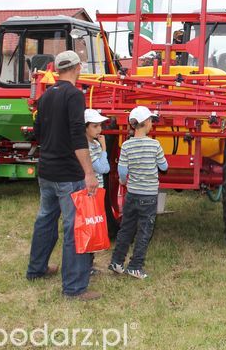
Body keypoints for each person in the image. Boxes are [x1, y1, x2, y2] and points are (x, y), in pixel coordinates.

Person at [26, 50, 101, 300]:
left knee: (45, 219)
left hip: (46, 170)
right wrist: (89, 172)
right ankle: (74, 288)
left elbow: (37, 130)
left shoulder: (46, 96)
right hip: (68, 174)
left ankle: (36, 269)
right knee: (74, 228)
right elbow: (77, 136)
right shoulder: (74, 95)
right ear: (78, 67)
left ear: (57, 70)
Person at [108, 106, 168, 280]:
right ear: (147, 123)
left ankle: (117, 262)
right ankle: (135, 266)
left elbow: (122, 170)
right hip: (148, 196)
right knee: (144, 231)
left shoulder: (126, 145)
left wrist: (123, 181)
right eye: (151, 121)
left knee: (126, 229)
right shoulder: (154, 144)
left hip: (132, 194)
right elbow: (164, 167)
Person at [85, 108, 110, 275]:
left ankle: (89, 264)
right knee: (88, 227)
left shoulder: (92, 144)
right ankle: (86, 265)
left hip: (95, 190)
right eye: (95, 126)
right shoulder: (89, 146)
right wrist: (104, 148)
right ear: (85, 127)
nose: (99, 130)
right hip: (90, 192)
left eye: (100, 125)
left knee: (91, 227)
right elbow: (103, 168)